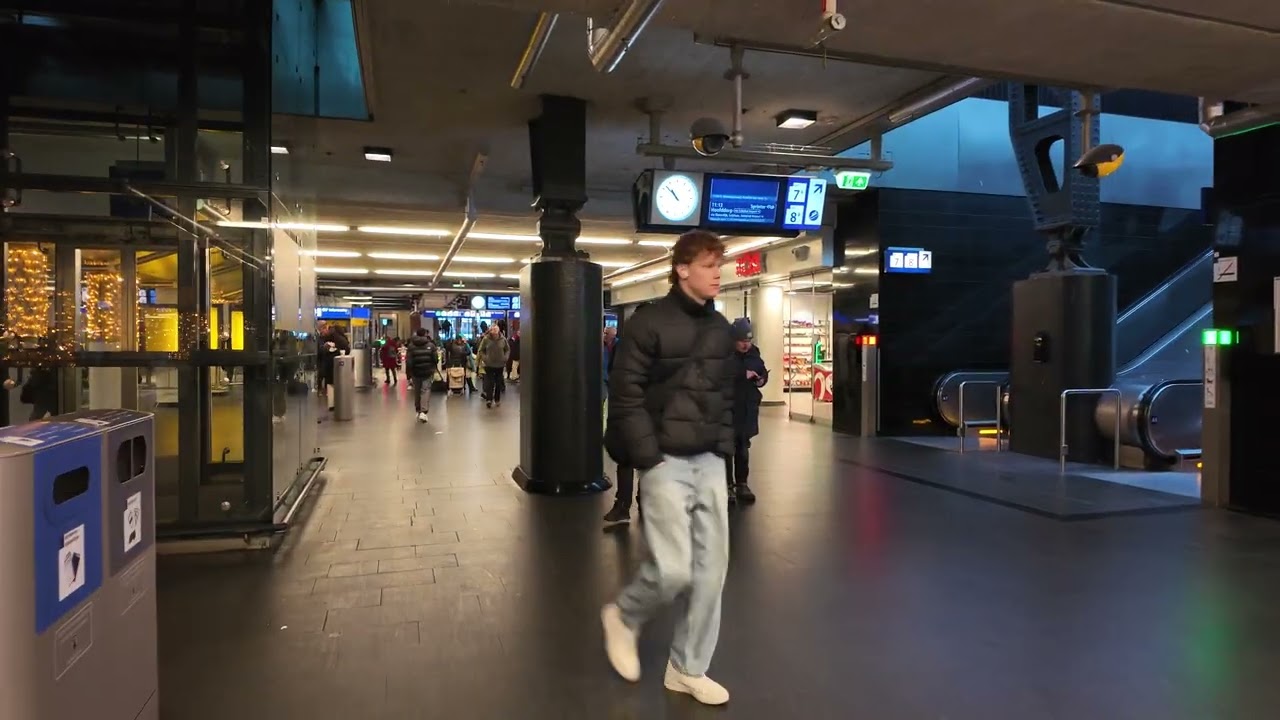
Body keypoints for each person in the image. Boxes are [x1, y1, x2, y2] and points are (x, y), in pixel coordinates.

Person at [601, 229, 735, 706]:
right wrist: (649, 458)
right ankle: (624, 614)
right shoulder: (647, 323)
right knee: (675, 570)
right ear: (682, 269)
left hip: (709, 461)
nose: (718, 273)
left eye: (720, 264)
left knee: (712, 572)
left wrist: (722, 450)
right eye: (708, 265)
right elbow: (625, 395)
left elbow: (723, 396)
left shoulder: (720, 328)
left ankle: (686, 668)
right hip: (663, 461)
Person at [726, 318, 768, 504]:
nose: (745, 344)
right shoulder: (723, 354)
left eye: (748, 341)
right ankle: (727, 485)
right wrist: (743, 374)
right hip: (727, 406)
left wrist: (761, 379)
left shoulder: (754, 353)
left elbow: (762, 370)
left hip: (747, 407)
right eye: (742, 341)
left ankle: (742, 483)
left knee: (743, 446)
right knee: (727, 448)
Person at [405, 328, 438, 422]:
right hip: (427, 371)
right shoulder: (431, 345)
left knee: (417, 390)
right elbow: (435, 359)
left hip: (415, 372)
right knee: (425, 390)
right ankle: (423, 412)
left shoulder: (411, 346)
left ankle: (418, 410)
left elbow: (409, 361)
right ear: (425, 334)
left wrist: (410, 372)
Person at [476, 324, 510, 408]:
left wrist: (505, 358)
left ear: (498, 331)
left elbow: (507, 349)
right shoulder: (486, 339)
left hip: (500, 365)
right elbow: (481, 350)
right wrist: (485, 358)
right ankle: (489, 399)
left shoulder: (503, 339)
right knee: (489, 383)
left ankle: (497, 399)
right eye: (493, 330)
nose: (494, 332)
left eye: (496, 330)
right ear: (490, 331)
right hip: (489, 364)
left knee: (498, 383)